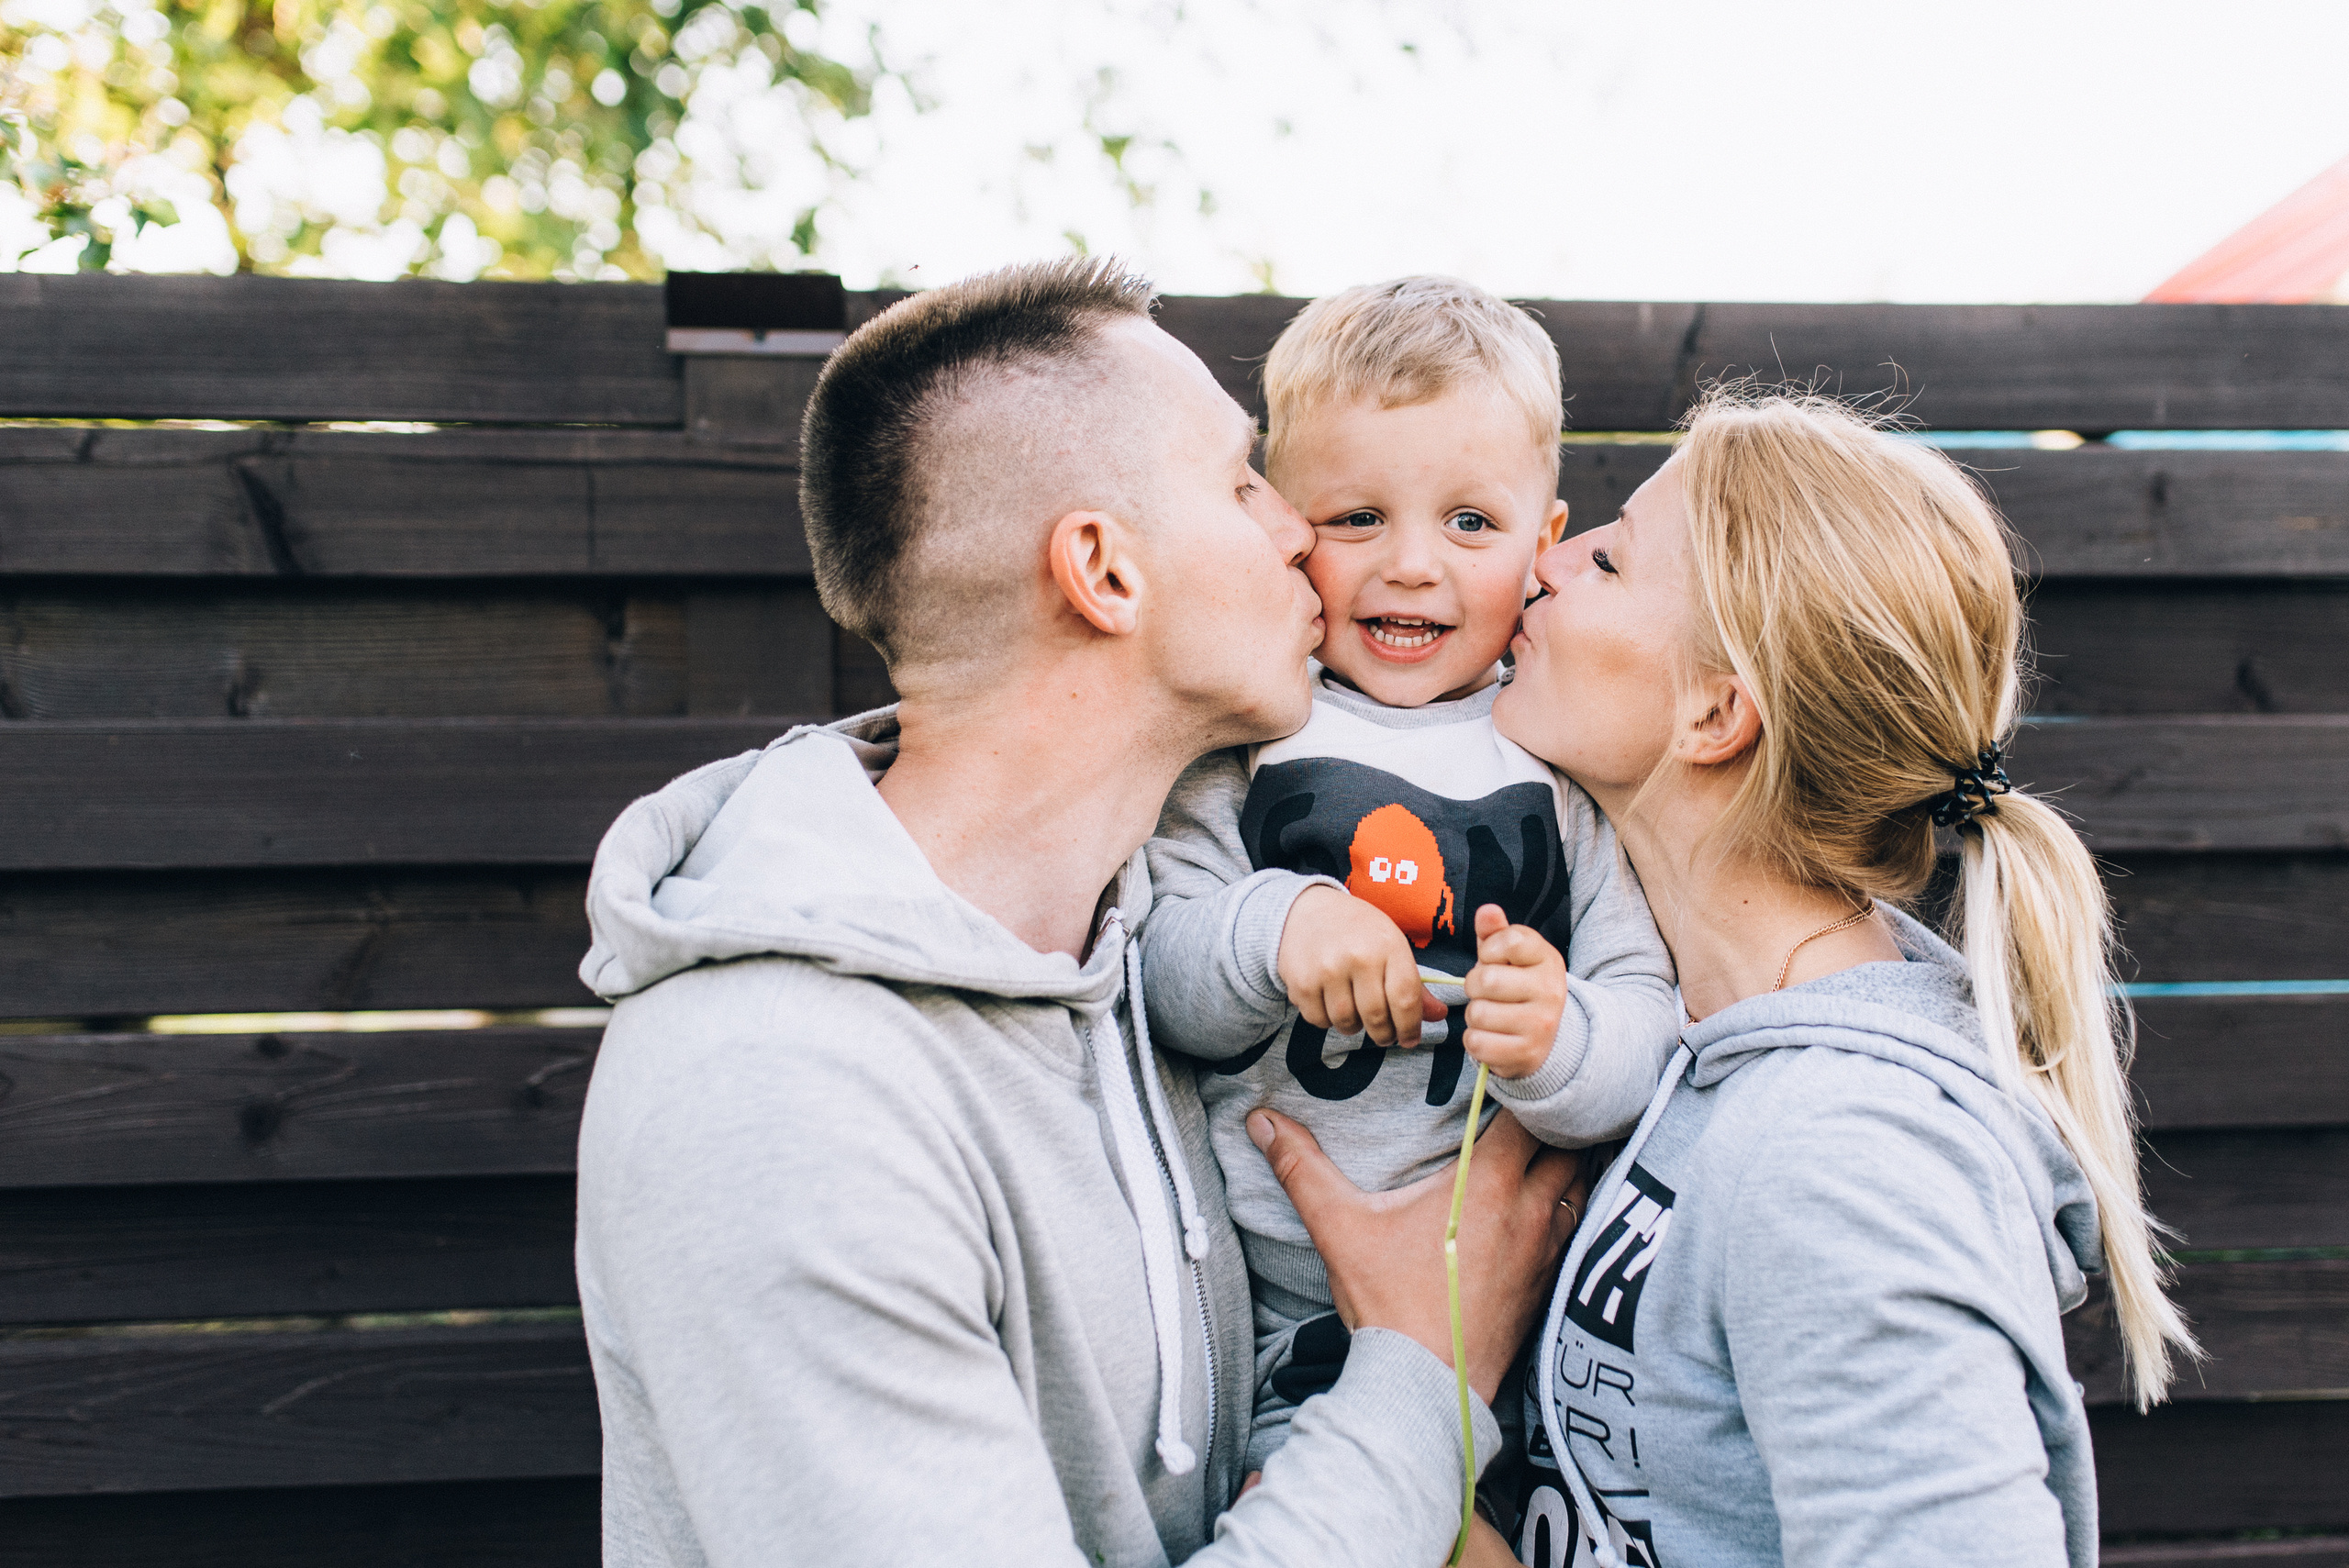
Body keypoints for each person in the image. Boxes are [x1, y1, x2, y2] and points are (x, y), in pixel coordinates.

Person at [570, 257, 1583, 1568]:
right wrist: (1420, 1377)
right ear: (1104, 572)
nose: (1298, 531)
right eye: (1238, 485)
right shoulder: (778, 1100)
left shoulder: (1129, 930)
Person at [1481, 389, 2198, 1567]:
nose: (1542, 562)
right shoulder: (1696, 1043)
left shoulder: (1844, 1156)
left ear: (1718, 712)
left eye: (1606, 558)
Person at [1141, 277, 1679, 1476]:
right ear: (1287, 523)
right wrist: (1278, 922)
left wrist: (1562, 1040)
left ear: (1544, 544)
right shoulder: (1253, 737)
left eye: (1471, 526)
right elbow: (1163, 974)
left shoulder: (1558, 760)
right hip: (1300, 1328)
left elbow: (1652, 1019)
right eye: (1359, 519)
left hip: (1548, 1336)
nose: (1413, 568)